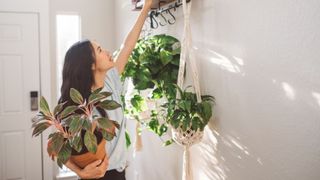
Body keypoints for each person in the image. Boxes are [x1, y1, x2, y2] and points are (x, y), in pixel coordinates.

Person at [59, 0, 153, 179]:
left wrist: (146, 7)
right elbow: (57, 147)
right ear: (91, 65)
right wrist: (80, 172)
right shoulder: (79, 104)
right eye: (100, 50)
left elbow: (127, 46)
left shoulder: (110, 80)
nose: (108, 51)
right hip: (99, 175)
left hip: (119, 171)